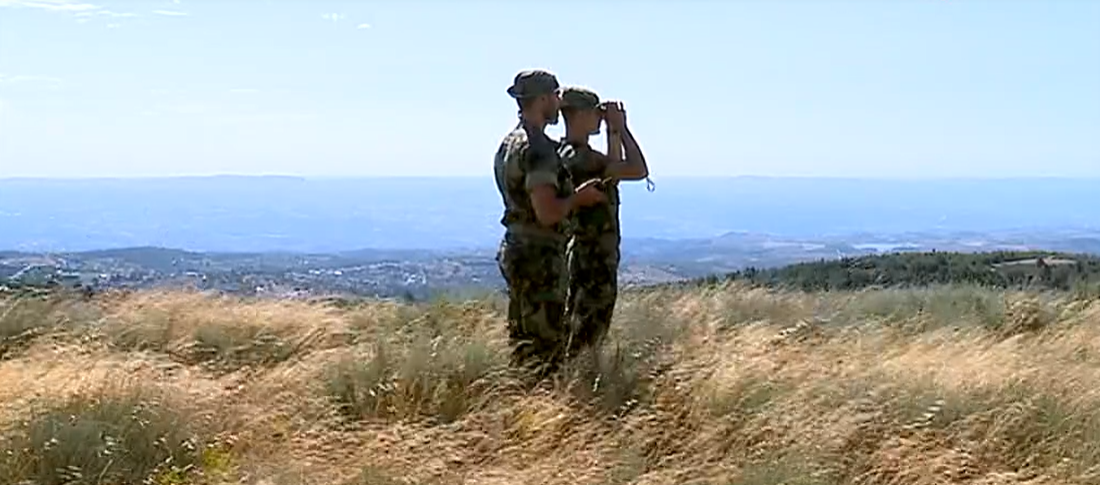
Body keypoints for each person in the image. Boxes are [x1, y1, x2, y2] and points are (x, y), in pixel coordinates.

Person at [492, 70, 607, 376]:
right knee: (544, 353)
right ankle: (539, 416)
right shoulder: (538, 148)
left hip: (516, 249)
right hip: (539, 257)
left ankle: (520, 407)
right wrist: (577, 199)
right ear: (543, 99)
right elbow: (547, 212)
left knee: (523, 343)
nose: (559, 103)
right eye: (556, 96)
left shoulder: (508, 143)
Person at [556, 86, 649, 355]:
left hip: (583, 254)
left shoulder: (567, 155)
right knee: (588, 336)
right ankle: (578, 387)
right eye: (595, 113)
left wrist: (613, 133)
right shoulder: (585, 160)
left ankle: (569, 382)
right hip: (594, 258)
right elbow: (637, 168)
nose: (599, 118)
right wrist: (621, 128)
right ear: (581, 114)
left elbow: (613, 172)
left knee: (577, 325)